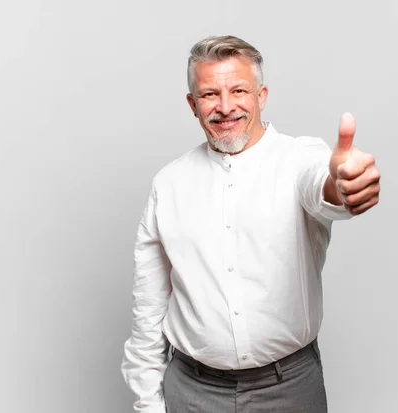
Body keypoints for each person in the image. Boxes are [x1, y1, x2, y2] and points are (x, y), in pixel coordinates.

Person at [121, 35, 381, 413]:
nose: (225, 107)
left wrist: (343, 186)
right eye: (210, 94)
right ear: (193, 105)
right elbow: (148, 307)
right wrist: (148, 403)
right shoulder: (169, 184)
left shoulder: (300, 158)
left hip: (289, 389)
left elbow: (322, 188)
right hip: (192, 392)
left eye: (238, 90)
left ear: (261, 95)